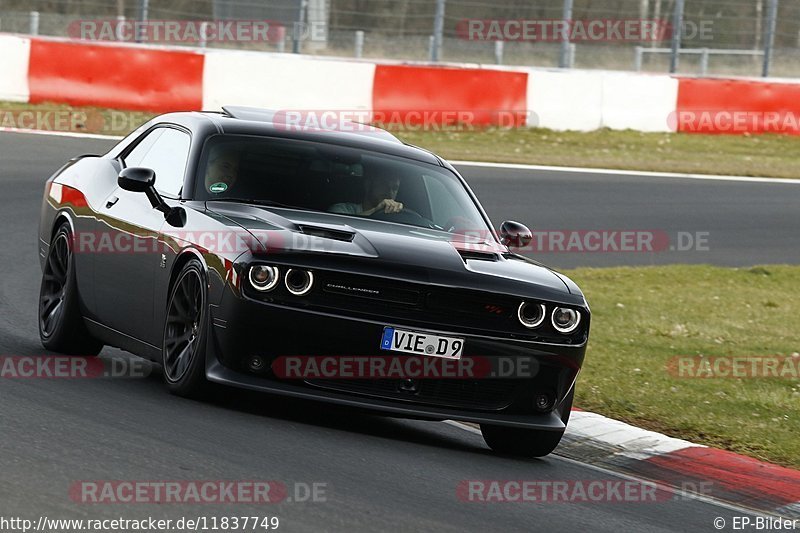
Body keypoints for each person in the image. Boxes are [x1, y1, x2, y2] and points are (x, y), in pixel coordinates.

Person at [329, 172, 403, 216]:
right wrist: (375, 211)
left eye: (394, 188)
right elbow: (340, 226)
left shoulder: (397, 218)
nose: (389, 191)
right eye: (384, 185)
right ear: (368, 185)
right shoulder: (342, 209)